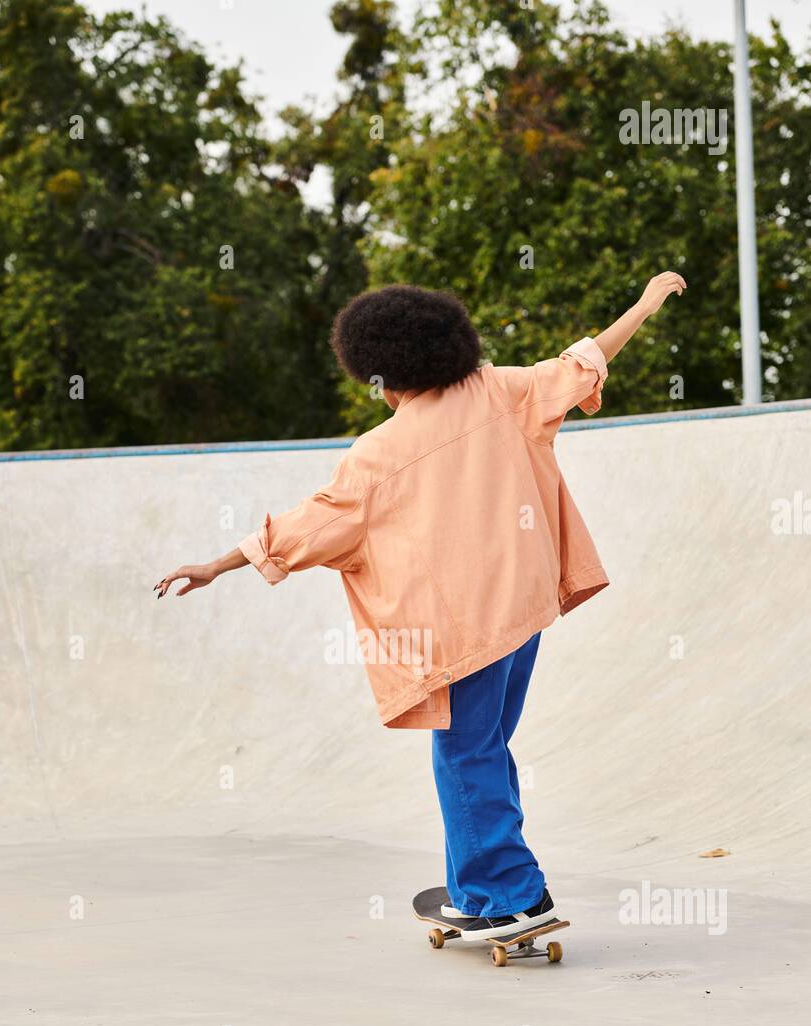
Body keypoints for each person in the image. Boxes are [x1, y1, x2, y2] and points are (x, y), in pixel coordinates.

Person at [156, 273, 686, 940]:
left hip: (465, 636)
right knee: (483, 748)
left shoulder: (377, 455)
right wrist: (640, 306)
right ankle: (477, 886)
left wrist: (216, 564)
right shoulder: (499, 391)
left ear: (378, 373)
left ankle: (510, 896)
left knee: (464, 757)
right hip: (525, 616)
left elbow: (300, 529)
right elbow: (583, 362)